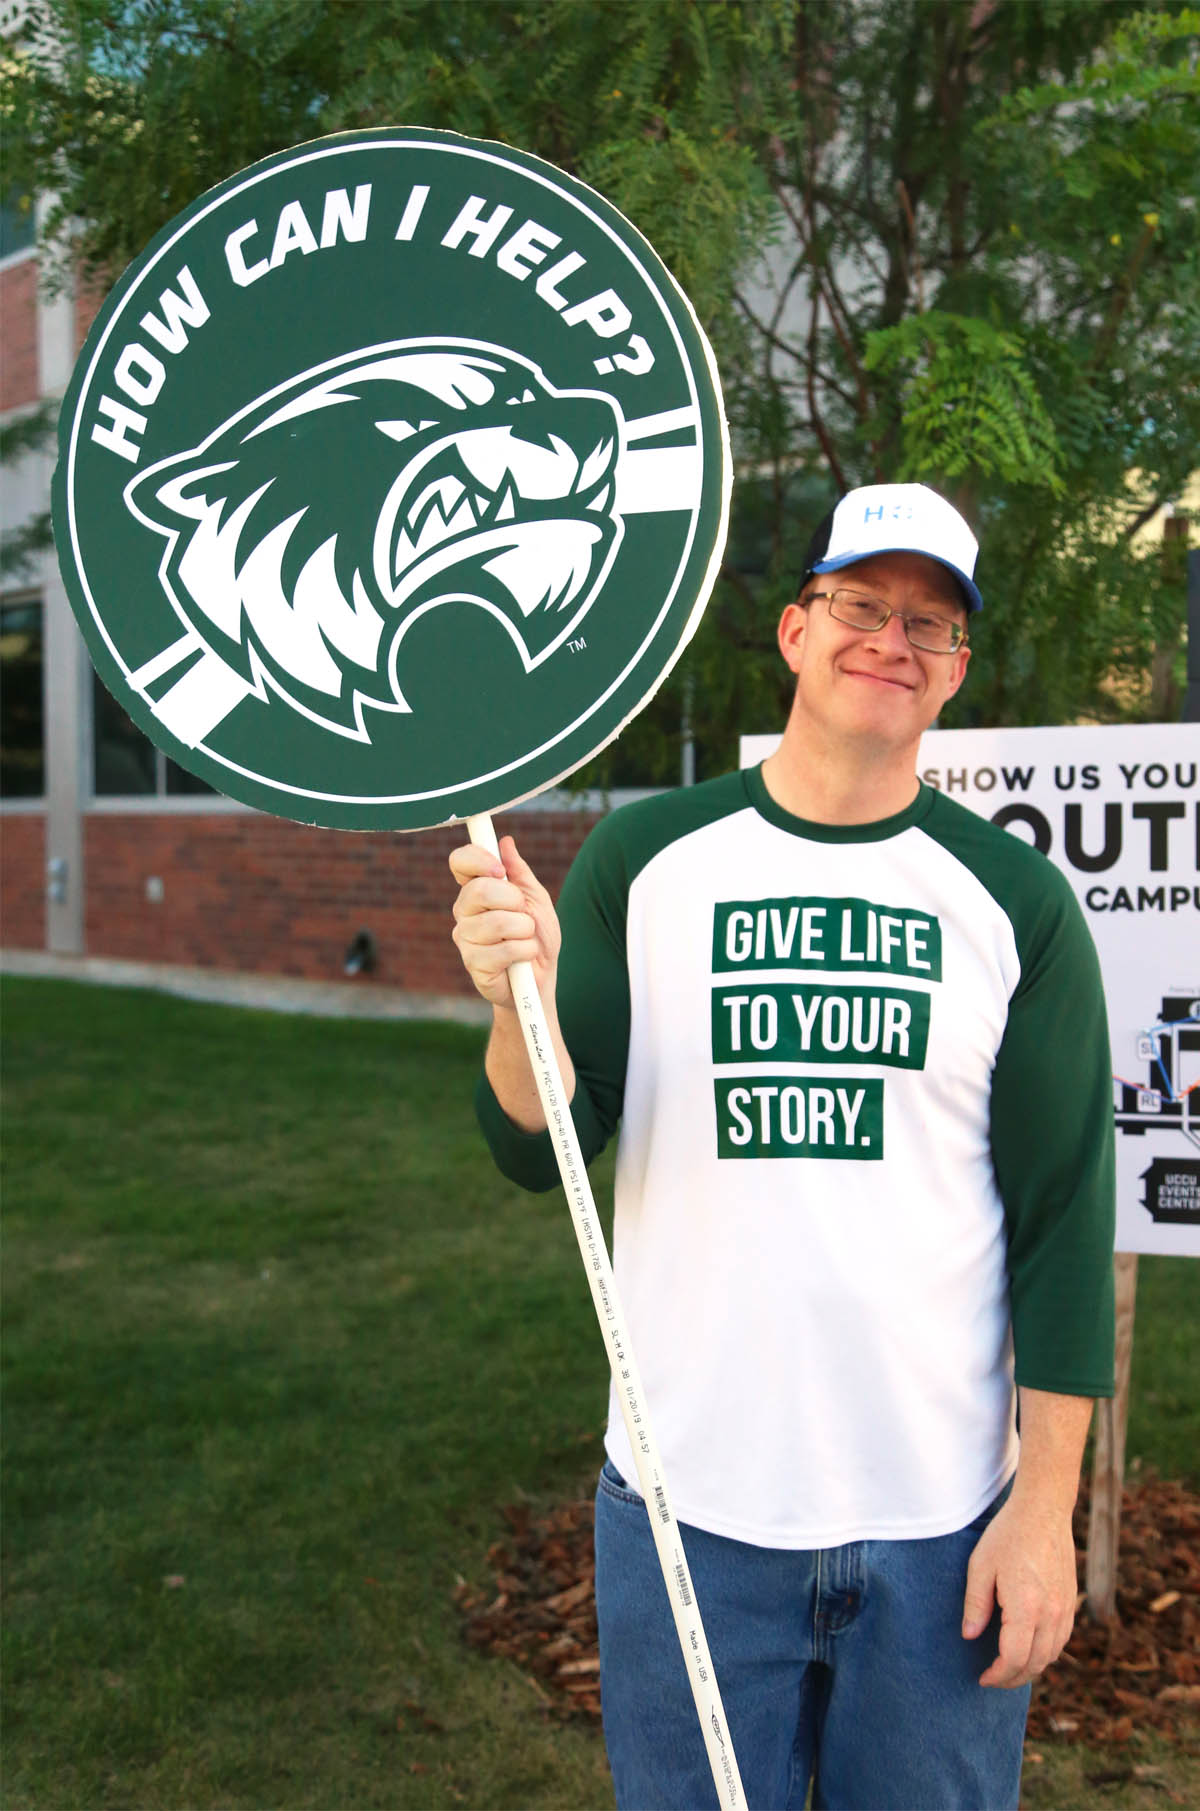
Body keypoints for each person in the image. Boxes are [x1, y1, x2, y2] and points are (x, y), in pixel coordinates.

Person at [448, 481, 1115, 1811]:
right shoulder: (648, 858)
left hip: (941, 1526)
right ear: (800, 631)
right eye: (863, 603)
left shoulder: (1016, 902)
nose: (894, 638)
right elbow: (546, 1154)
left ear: (958, 668)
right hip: (689, 1509)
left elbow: (1061, 1222)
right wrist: (512, 1006)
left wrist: (1044, 1510)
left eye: (931, 622)